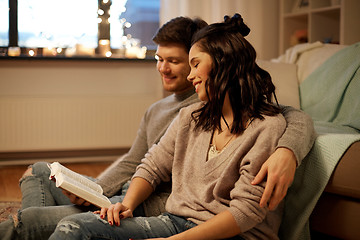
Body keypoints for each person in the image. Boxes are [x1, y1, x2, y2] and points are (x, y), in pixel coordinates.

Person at [0, 16, 315, 240]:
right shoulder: (188, 114)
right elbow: (144, 162)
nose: (166, 69)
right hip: (150, 208)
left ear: (222, 63)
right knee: (39, 171)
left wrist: (288, 150)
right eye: (159, 58)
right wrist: (109, 197)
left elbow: (290, 117)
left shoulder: (267, 125)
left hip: (181, 218)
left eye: (186, 63)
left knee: (36, 222)